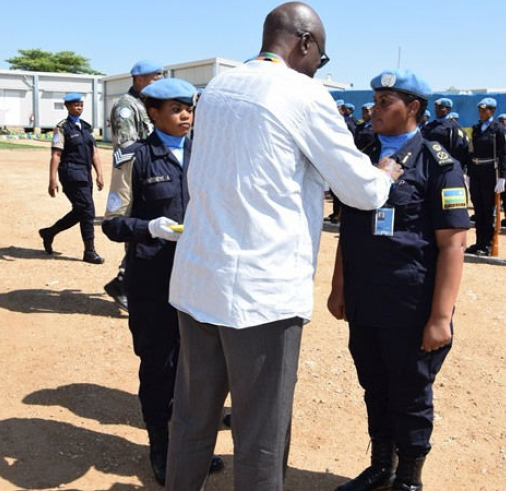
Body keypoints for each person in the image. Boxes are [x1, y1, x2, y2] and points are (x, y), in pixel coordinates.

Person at [164, 3, 402, 489]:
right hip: (261, 295)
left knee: (191, 422)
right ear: (306, 43)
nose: (319, 66)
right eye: (323, 57)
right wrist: (385, 175)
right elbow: (360, 190)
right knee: (261, 438)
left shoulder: (215, 90)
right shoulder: (303, 93)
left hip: (197, 280)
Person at [328, 68, 469, 491]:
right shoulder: (361, 154)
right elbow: (348, 229)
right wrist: (339, 287)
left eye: (386, 101)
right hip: (366, 297)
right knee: (374, 384)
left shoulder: (438, 163)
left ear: (413, 108)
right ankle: (380, 466)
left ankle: (409, 475)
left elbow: (453, 244)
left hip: (411, 304)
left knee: (409, 392)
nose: (375, 108)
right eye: (374, 99)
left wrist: (441, 317)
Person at [101, 78, 224, 486]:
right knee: (158, 368)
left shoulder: (206, 154)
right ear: (152, 113)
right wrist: (149, 227)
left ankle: (192, 446)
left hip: (201, 280)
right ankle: (161, 448)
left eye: (189, 107)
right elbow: (114, 224)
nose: (186, 115)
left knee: (200, 370)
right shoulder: (131, 158)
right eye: (175, 109)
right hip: (154, 282)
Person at [104, 60, 165, 312]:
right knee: (137, 228)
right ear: (138, 80)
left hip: (149, 171)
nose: (158, 81)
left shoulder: (146, 104)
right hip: (135, 175)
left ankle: (124, 282)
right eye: (154, 77)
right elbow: (127, 148)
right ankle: (123, 284)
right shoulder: (127, 107)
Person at [39, 93, 105, 264]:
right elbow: (56, 155)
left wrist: (99, 173)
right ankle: (89, 251)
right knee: (88, 209)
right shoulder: (62, 128)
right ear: (67, 107)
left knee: (81, 210)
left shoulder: (87, 127)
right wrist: (52, 180)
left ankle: (49, 232)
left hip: (85, 173)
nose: (79, 108)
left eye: (81, 105)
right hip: (70, 173)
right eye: (75, 105)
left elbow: (94, 153)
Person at [465, 97, 506, 256]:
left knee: (488, 210)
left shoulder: (498, 129)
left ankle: (487, 244)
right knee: (478, 209)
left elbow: (504, 154)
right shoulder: (476, 128)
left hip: (491, 172)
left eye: (485, 110)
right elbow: (471, 151)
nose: (481, 113)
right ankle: (478, 242)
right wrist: (469, 172)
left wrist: (502, 177)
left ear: (492, 111)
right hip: (476, 171)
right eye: (480, 110)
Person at [422, 97, 470, 174]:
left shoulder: (453, 128)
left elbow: (460, 149)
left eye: (441, 108)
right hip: (429, 167)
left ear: (448, 110)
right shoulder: (429, 127)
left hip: (446, 167)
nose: (437, 110)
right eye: (436, 108)